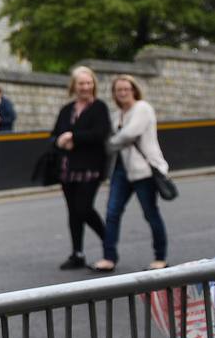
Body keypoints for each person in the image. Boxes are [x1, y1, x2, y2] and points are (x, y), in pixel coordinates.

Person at [94, 74, 169, 272]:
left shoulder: (142, 108)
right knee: (112, 213)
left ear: (134, 90)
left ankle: (160, 258)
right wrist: (113, 142)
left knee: (150, 213)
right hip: (122, 170)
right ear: (114, 94)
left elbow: (130, 133)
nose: (123, 93)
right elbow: (114, 140)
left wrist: (113, 142)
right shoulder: (114, 115)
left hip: (145, 170)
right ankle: (109, 257)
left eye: (126, 89)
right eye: (119, 90)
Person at [50, 66, 110, 270]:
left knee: (84, 208)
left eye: (88, 83)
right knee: (73, 212)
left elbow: (100, 133)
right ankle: (77, 253)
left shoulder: (99, 107)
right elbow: (55, 134)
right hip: (68, 169)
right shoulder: (66, 110)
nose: (85, 87)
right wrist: (59, 141)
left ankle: (109, 242)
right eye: (81, 83)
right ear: (74, 86)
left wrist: (73, 137)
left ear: (93, 84)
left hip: (90, 168)